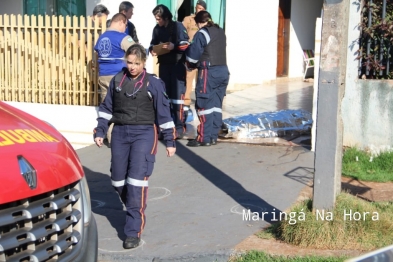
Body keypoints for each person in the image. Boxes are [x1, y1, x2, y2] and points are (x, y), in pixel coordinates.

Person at [93, 44, 177, 249]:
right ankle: (132, 205)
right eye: (129, 62)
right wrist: (101, 130)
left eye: (136, 63)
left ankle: (133, 230)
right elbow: (106, 108)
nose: (132, 67)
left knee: (136, 182)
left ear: (143, 63)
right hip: (120, 133)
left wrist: (170, 140)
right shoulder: (117, 81)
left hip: (144, 134)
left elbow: (164, 114)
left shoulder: (154, 84)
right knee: (118, 180)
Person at [185, 11, 229, 147]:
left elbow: (193, 56)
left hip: (209, 72)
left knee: (204, 104)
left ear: (199, 23)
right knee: (216, 105)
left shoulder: (202, 33)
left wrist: (189, 64)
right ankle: (213, 136)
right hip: (223, 71)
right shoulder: (220, 31)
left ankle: (203, 138)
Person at [149, 4, 189, 139]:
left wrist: (174, 46)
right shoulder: (156, 29)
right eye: (155, 18)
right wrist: (152, 50)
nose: (157, 21)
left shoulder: (177, 26)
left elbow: (185, 44)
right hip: (164, 66)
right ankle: (167, 128)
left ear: (165, 17)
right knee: (164, 97)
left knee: (177, 98)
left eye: (159, 18)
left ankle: (179, 127)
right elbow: (152, 43)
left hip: (177, 66)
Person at [94, 13, 136, 104]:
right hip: (118, 76)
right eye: (125, 25)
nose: (125, 28)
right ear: (121, 22)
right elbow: (136, 52)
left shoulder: (101, 37)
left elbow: (97, 55)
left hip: (103, 75)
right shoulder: (123, 37)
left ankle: (105, 118)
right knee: (120, 103)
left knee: (106, 103)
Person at [182, 1, 206, 121]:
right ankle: (186, 104)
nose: (199, 10)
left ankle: (201, 103)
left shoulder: (207, 20)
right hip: (191, 56)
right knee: (188, 79)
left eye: (201, 8)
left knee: (202, 81)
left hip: (203, 57)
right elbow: (181, 33)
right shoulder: (188, 19)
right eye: (198, 8)